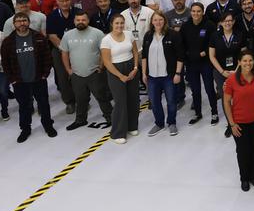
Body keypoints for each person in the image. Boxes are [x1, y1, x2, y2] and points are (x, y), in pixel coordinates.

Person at [0, 12, 58, 143]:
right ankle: (25, 129)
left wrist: (44, 75)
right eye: (18, 21)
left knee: (44, 104)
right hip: (20, 81)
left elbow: (47, 57)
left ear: (28, 22)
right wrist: (12, 79)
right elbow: (5, 63)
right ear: (14, 24)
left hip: (38, 79)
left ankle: (48, 126)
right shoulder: (8, 42)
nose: (22, 23)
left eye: (24, 20)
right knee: (24, 106)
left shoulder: (39, 37)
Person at [61, 11, 111, 131]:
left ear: (88, 21)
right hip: (77, 74)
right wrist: (68, 70)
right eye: (78, 20)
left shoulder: (97, 33)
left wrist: (101, 66)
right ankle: (80, 120)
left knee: (102, 97)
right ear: (74, 21)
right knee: (80, 99)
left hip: (94, 72)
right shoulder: (68, 35)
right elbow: (64, 53)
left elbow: (104, 51)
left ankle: (111, 118)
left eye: (83, 20)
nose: (80, 22)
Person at [225, 51, 254, 191]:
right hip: (239, 122)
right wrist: (232, 124)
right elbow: (226, 102)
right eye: (245, 61)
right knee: (242, 151)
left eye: (250, 60)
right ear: (239, 62)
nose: (248, 63)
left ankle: (253, 176)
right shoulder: (231, 80)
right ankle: (244, 178)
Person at [141, 13, 184, 137]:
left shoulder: (173, 35)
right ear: (152, 22)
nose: (158, 22)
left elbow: (180, 56)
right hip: (152, 76)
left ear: (164, 21)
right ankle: (159, 123)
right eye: (155, 20)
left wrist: (177, 73)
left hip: (169, 76)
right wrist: (144, 73)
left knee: (171, 101)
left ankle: (171, 123)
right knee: (154, 102)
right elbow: (144, 56)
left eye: (160, 19)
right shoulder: (148, 36)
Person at [101, 14, 140, 144]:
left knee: (133, 99)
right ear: (112, 24)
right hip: (115, 71)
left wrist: (135, 68)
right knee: (120, 102)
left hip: (130, 67)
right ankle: (118, 132)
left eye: (122, 23)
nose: (120, 26)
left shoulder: (129, 34)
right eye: (117, 23)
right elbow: (106, 62)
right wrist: (120, 76)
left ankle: (132, 126)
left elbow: (135, 52)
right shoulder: (106, 40)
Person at [179, 3, 216, 125]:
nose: (196, 14)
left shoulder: (209, 25)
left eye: (198, 11)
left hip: (205, 62)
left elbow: (213, 42)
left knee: (209, 88)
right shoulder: (185, 26)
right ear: (191, 12)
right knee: (195, 90)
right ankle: (198, 113)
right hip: (191, 63)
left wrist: (204, 53)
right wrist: (187, 56)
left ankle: (214, 112)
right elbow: (182, 44)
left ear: (203, 12)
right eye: (193, 11)